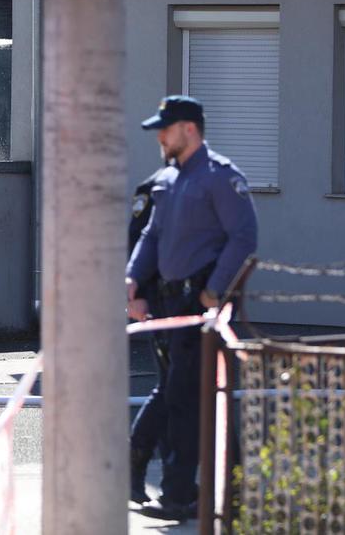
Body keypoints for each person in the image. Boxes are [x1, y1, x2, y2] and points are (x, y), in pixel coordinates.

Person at [125, 95, 258, 522]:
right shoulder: (167, 179)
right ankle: (232, 490)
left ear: (189, 130)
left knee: (184, 397)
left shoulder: (220, 177)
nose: (159, 137)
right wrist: (132, 279)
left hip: (201, 303)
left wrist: (213, 292)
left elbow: (244, 237)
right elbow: (151, 236)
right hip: (169, 302)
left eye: (165, 129)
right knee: (194, 395)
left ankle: (180, 493)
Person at [127, 162, 172, 505]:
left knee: (185, 394)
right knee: (173, 390)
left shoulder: (207, 181)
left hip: (193, 307)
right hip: (165, 304)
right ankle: (137, 471)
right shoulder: (154, 189)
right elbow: (138, 241)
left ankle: (177, 479)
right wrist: (138, 294)